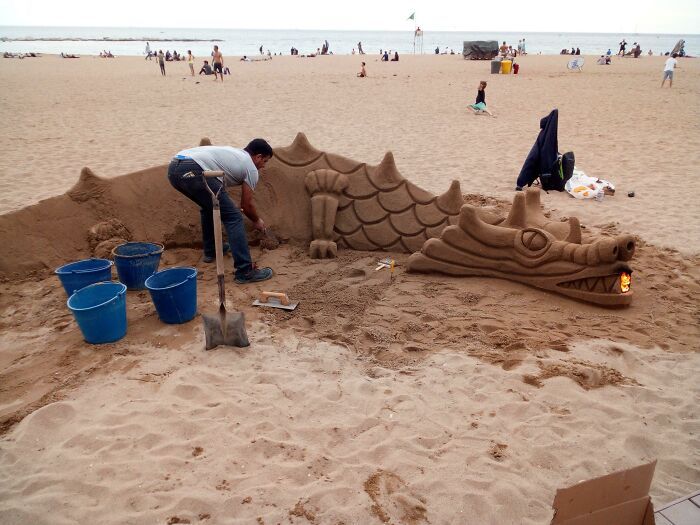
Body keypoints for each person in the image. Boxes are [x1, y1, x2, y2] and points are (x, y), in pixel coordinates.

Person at [167, 139, 274, 284]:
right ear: (258, 157)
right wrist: (256, 220)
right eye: (265, 161)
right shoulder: (251, 168)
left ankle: (211, 250)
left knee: (210, 206)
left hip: (174, 168)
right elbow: (246, 205)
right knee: (234, 217)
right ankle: (245, 271)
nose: (263, 166)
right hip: (194, 169)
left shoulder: (236, 154)